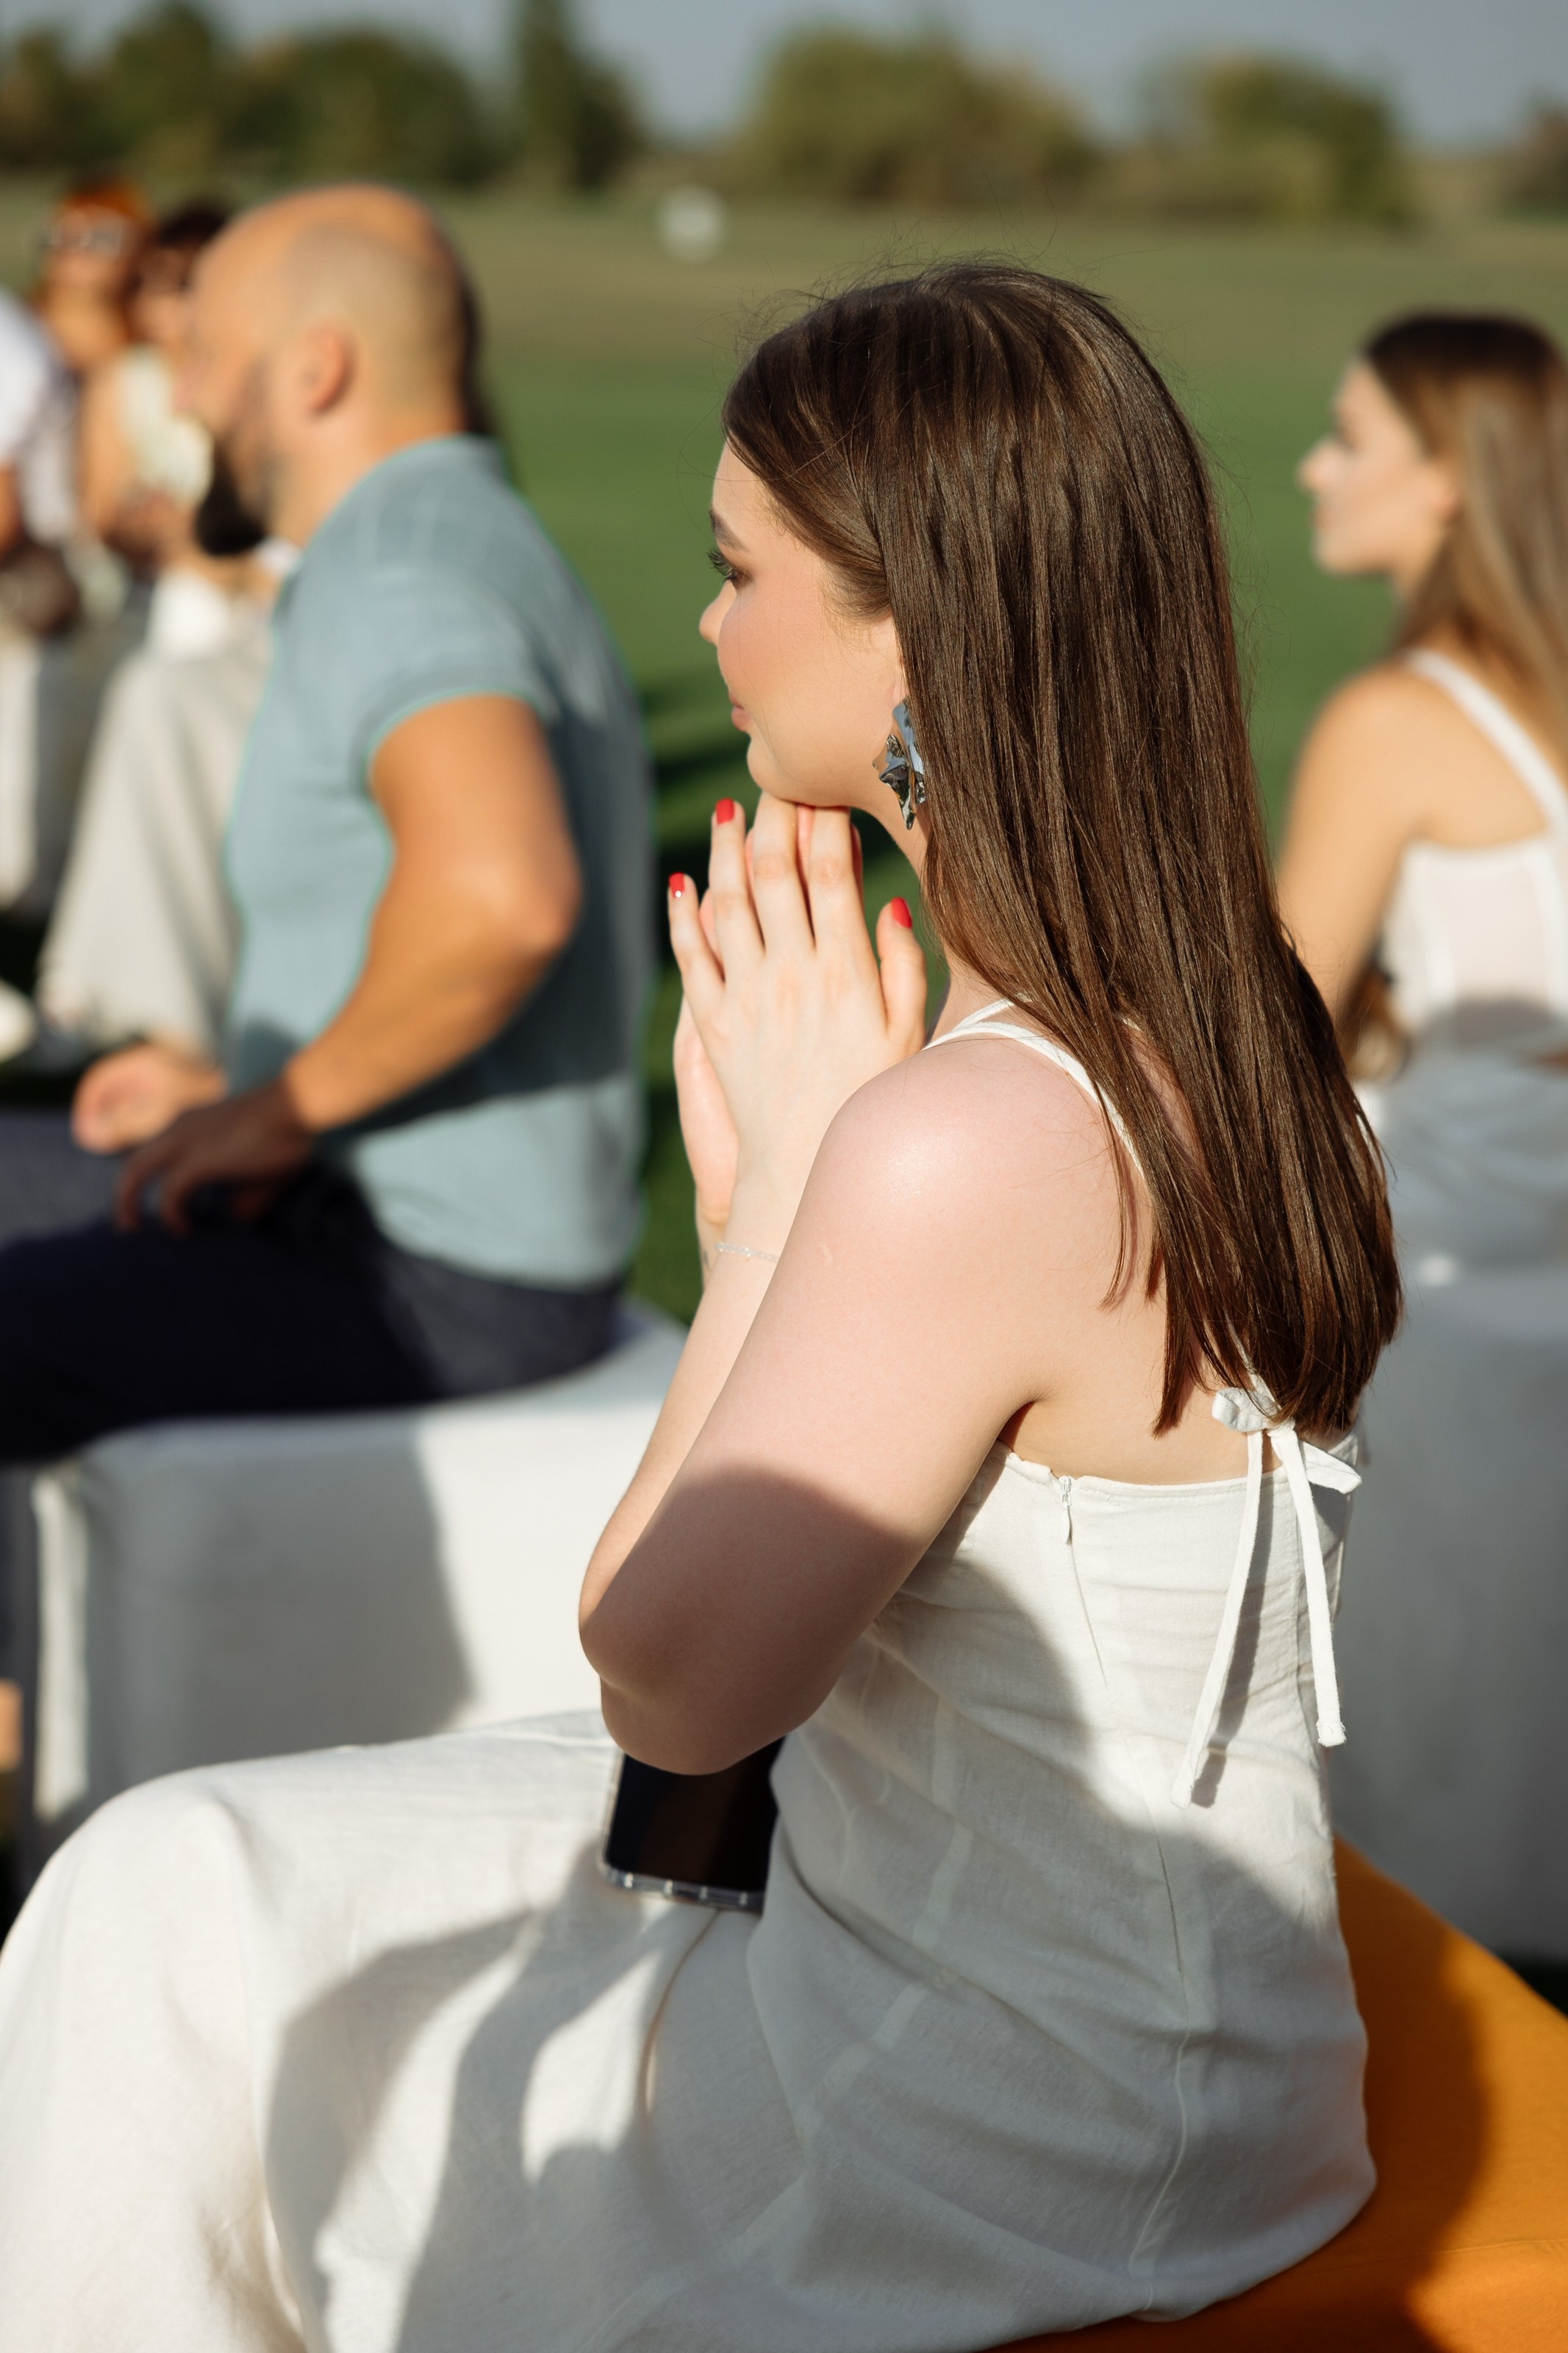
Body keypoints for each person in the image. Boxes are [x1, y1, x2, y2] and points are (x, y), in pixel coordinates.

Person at [0, 265, 1400, 2347]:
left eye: (743, 572)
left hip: (990, 2134)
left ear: (910, 633)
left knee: (157, 1914)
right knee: (177, 1874)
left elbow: (673, 1694)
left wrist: (768, 1209)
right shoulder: (1229, 1030)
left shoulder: (971, 1142)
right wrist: (816, 1173)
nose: (706, 624)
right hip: (1193, 2050)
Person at [1277, 313, 1568, 1957]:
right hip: (1542, 1328)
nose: (1315, 465)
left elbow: (1260, 1035)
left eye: (1349, 434)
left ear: (1445, 479)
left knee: (1410, 1892)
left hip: (1430, 1341)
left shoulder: (1399, 719)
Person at [26, 201, 284, 1066]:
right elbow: (112, 517)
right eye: (165, 288)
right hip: (139, 613)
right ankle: (100, 986)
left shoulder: (269, 395)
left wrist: (207, 552)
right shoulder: (128, 384)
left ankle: (132, 993)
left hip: (234, 619)